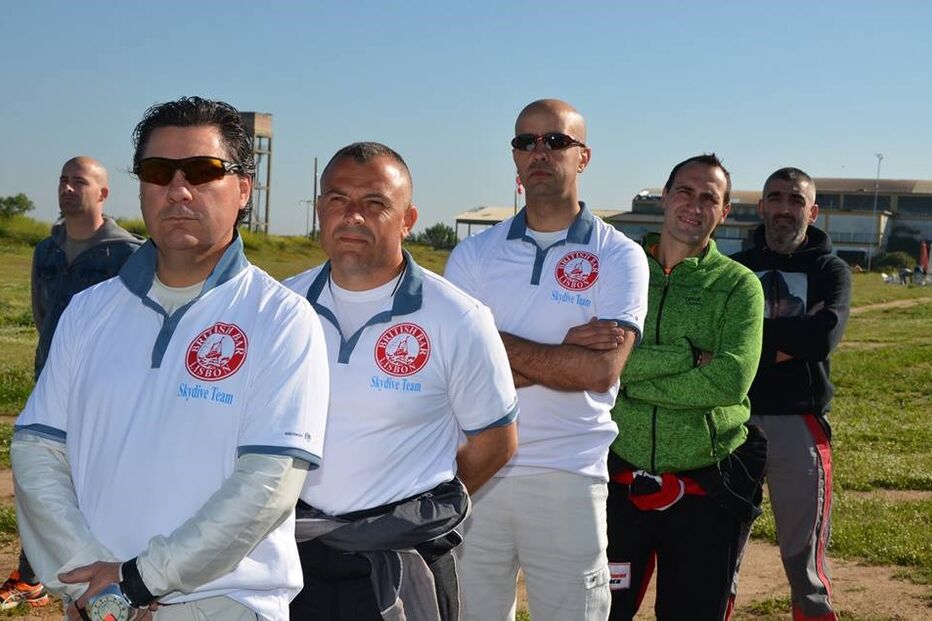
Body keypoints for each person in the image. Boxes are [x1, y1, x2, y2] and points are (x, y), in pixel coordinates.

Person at [11, 96, 329, 621]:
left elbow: (267, 484)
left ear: (244, 188)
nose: (178, 189)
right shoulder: (90, 310)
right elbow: (36, 450)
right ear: (141, 186)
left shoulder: (281, 318)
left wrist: (139, 579)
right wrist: (88, 574)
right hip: (96, 601)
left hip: (222, 604)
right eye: (159, 171)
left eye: (204, 171)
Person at [284, 141, 518, 620]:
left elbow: (496, 442)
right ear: (319, 210)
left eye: (374, 203)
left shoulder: (458, 318)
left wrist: (412, 509)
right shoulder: (279, 307)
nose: (352, 216)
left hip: (401, 563)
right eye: (337, 200)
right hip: (289, 556)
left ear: (408, 220)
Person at [445, 99, 649, 621]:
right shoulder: (472, 255)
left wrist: (491, 347)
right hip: (477, 468)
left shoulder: (619, 254)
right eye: (526, 142)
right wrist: (561, 355)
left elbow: (600, 371)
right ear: (513, 157)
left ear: (583, 157)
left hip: (569, 473)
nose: (540, 152)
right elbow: (456, 373)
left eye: (556, 141)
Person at [606, 154, 766, 620]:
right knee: (601, 611)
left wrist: (627, 379)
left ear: (725, 211)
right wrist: (688, 357)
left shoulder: (739, 286)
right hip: (619, 480)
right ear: (666, 196)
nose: (694, 205)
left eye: (709, 198)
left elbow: (729, 381)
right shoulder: (621, 272)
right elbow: (597, 364)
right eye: (685, 192)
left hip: (707, 485)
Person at [0, 157, 142, 611]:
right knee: (41, 476)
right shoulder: (46, 249)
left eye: (79, 181)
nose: (67, 188)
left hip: (104, 393)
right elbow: (43, 316)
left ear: (103, 194)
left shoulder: (130, 254)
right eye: (62, 179)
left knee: (95, 480)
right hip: (52, 382)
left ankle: (109, 569)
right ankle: (34, 576)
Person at [732, 167, 851, 621]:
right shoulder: (736, 268)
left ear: (812, 210)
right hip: (732, 420)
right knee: (720, 552)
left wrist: (750, 341)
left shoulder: (830, 269)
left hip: (799, 423)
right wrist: (786, 343)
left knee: (804, 561)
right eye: (775, 198)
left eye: (795, 200)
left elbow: (821, 340)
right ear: (761, 206)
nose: (784, 209)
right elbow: (713, 342)